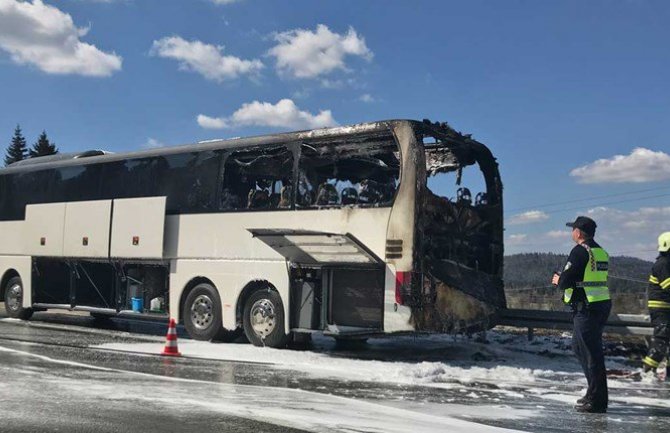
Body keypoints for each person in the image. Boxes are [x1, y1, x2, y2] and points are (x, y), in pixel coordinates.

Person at [551, 216, 612, 413]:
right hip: (599, 304)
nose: (572, 233)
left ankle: (597, 401)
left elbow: (566, 281)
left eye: (573, 229)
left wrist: (558, 279)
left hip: (586, 308)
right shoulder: (600, 251)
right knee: (580, 348)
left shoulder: (579, 251)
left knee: (590, 354)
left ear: (578, 232)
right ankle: (592, 392)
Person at [642, 232, 670, 375]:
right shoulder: (663, 264)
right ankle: (647, 371)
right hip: (661, 309)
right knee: (661, 340)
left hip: (665, 308)